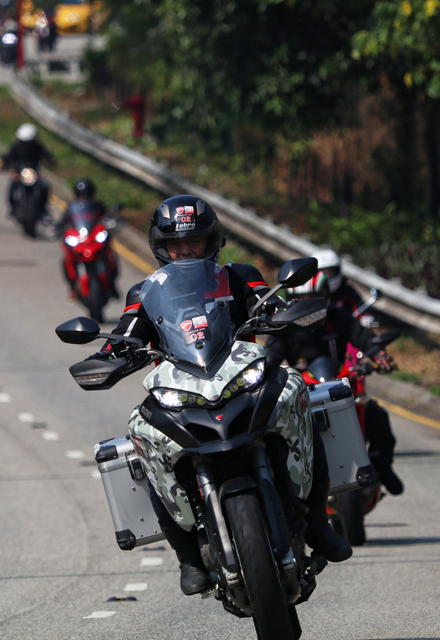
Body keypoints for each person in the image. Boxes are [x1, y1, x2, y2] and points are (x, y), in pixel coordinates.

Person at [88, 195, 352, 596]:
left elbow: (272, 302)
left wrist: (282, 312)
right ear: (161, 247)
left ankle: (317, 522)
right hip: (183, 386)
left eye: (194, 241)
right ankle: (189, 556)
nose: (185, 250)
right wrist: (106, 356)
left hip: (242, 373)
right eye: (176, 244)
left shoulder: (240, 275)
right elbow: (124, 337)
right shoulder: (144, 293)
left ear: (212, 240)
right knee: (142, 432)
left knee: (297, 390)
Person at [265, 270, 404, 496]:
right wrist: (263, 375)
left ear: (327, 297)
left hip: (340, 385)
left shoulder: (338, 316)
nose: (307, 306)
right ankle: (283, 490)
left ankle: (382, 467)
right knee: (275, 431)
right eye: (301, 301)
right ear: (291, 301)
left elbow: (364, 337)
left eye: (314, 299)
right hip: (303, 392)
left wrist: (379, 356)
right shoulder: (284, 327)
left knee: (377, 416)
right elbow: (271, 357)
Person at [58, 178, 119, 300]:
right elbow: (63, 222)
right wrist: (58, 228)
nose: (83, 198)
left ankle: (112, 284)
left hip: (93, 239)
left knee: (111, 256)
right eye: (81, 195)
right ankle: (72, 288)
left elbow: (106, 217)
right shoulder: (71, 207)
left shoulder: (97, 206)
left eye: (85, 195)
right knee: (66, 260)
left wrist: (111, 221)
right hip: (80, 240)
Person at [313, 248, 376, 327]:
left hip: (344, 332)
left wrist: (366, 316)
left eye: (330, 272)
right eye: (323, 274)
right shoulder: (310, 293)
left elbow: (359, 305)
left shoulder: (347, 291)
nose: (327, 277)